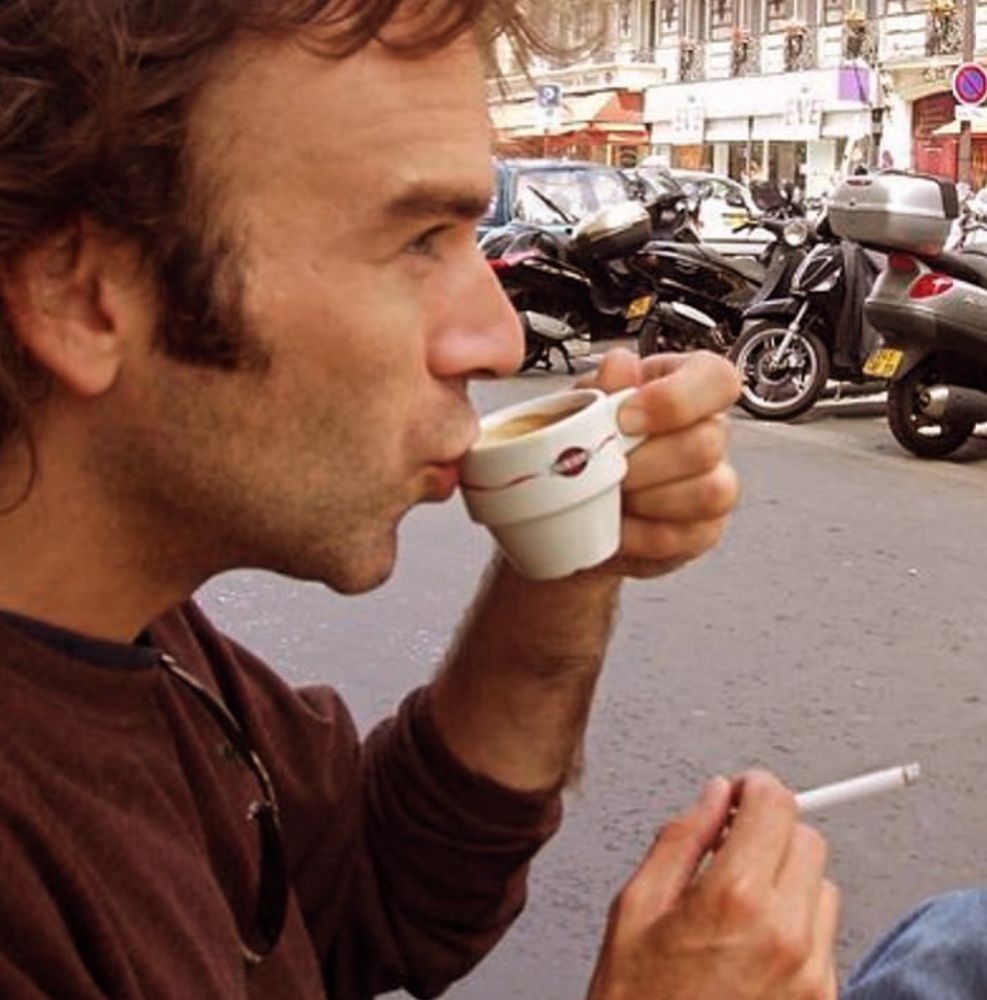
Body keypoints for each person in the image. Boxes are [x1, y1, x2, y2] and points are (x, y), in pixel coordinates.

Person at [0, 1, 839, 997]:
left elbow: (377, 889)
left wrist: (568, 545)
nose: (499, 339)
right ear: (81, 293)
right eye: (417, 240)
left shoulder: (133, 640)